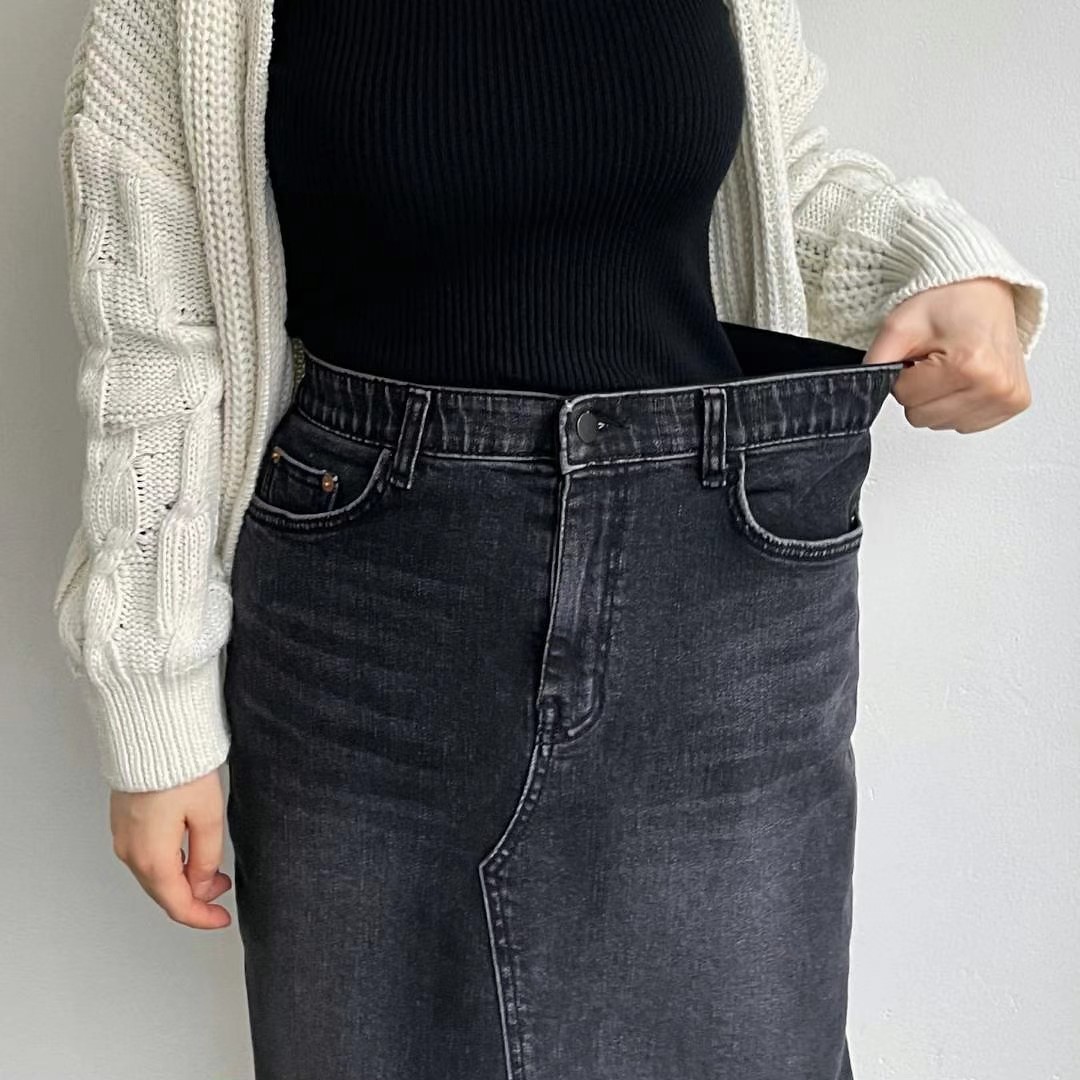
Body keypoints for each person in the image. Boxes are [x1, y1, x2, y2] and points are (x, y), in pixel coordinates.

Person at [53, 0, 1048, 1077]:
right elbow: (156, 330)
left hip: (713, 600)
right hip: (374, 616)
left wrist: (939, 265)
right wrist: (151, 700)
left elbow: (773, 174)